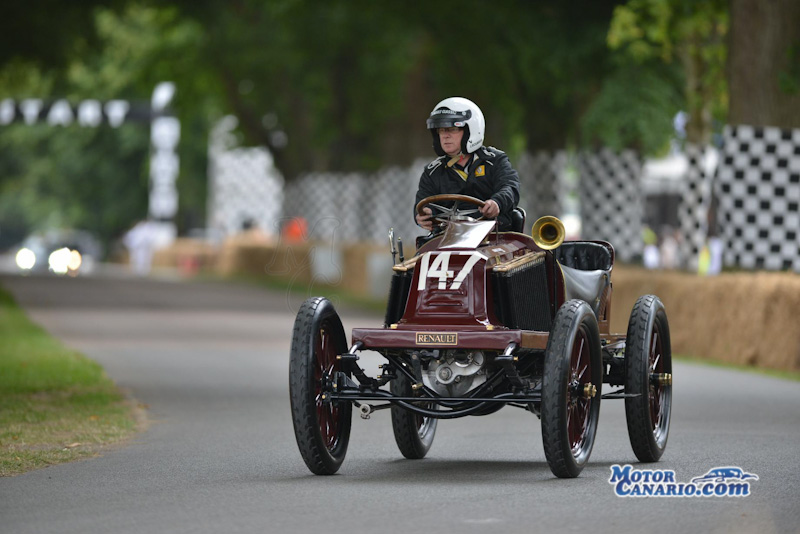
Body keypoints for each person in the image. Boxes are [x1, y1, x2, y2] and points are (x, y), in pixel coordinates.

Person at [415, 97, 521, 233]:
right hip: (446, 240)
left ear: (470, 131)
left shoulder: (495, 161)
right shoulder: (432, 172)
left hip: (495, 236)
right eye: (441, 130)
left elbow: (510, 187)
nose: (445, 136)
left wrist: (497, 203)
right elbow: (423, 202)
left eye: (452, 129)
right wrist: (424, 214)